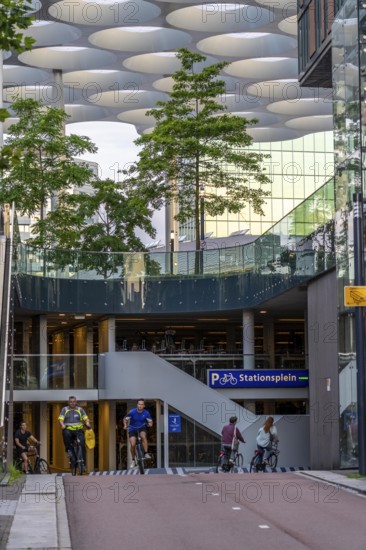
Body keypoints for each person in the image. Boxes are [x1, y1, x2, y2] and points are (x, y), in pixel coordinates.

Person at [58, 396, 91, 467]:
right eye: (70, 402)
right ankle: (69, 450)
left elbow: (86, 418)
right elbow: (61, 419)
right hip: (68, 429)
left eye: (73, 402)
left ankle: (83, 464)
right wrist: (62, 424)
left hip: (78, 430)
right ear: (68, 402)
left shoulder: (80, 409)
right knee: (65, 434)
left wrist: (87, 422)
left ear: (76, 402)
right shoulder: (64, 409)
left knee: (82, 445)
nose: (72, 403)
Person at [123, 399, 153, 468]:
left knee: (143, 436)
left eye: (141, 404)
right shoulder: (132, 412)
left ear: (144, 406)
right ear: (137, 405)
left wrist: (150, 424)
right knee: (133, 444)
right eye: (139, 404)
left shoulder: (146, 413)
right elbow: (125, 419)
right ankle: (133, 460)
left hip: (142, 427)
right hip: (132, 428)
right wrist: (125, 425)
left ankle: (145, 453)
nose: (140, 406)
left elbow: (150, 422)